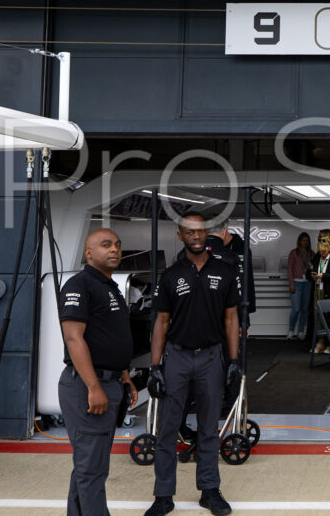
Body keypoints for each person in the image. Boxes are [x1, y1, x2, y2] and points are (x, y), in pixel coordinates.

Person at [145, 213, 241, 516]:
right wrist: (155, 366)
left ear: (207, 233)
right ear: (180, 236)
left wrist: (234, 362)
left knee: (209, 428)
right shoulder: (171, 275)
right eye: (189, 232)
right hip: (177, 357)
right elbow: (161, 323)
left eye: (200, 231)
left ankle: (209, 491)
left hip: (211, 357)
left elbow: (231, 318)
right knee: (168, 428)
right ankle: (163, 496)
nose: (196, 236)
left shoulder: (225, 272)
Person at [57, 228, 137, 516]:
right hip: (87, 386)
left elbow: (111, 336)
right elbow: (74, 338)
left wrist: (124, 376)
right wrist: (93, 387)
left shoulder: (110, 286)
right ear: (88, 253)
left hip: (110, 382)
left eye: (117, 244)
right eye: (106, 245)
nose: (114, 249)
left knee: (89, 465)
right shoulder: (80, 286)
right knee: (92, 469)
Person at [309, 238, 330, 354]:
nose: (321, 254)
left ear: (329, 249)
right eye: (320, 252)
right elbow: (309, 271)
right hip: (318, 291)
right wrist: (312, 275)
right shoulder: (316, 258)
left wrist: (323, 276)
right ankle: (320, 342)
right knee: (317, 317)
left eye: (324, 252)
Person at [286, 232, 313, 339]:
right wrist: (291, 284)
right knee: (296, 309)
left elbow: (313, 268)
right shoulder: (293, 253)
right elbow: (289, 269)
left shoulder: (311, 253)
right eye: (303, 240)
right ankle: (291, 330)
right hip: (296, 283)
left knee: (305, 310)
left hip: (307, 283)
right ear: (299, 241)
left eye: (307, 240)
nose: (305, 242)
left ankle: (301, 331)